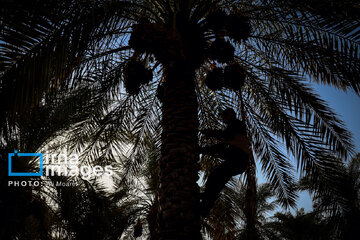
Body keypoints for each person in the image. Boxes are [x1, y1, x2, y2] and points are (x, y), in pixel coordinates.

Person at [199, 108, 250, 217]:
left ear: (230, 115)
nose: (223, 119)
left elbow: (226, 136)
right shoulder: (234, 134)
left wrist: (212, 133)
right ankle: (204, 209)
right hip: (239, 163)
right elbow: (220, 147)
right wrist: (203, 150)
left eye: (224, 116)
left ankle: (206, 199)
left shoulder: (236, 124)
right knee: (218, 183)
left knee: (214, 175)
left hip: (238, 160)